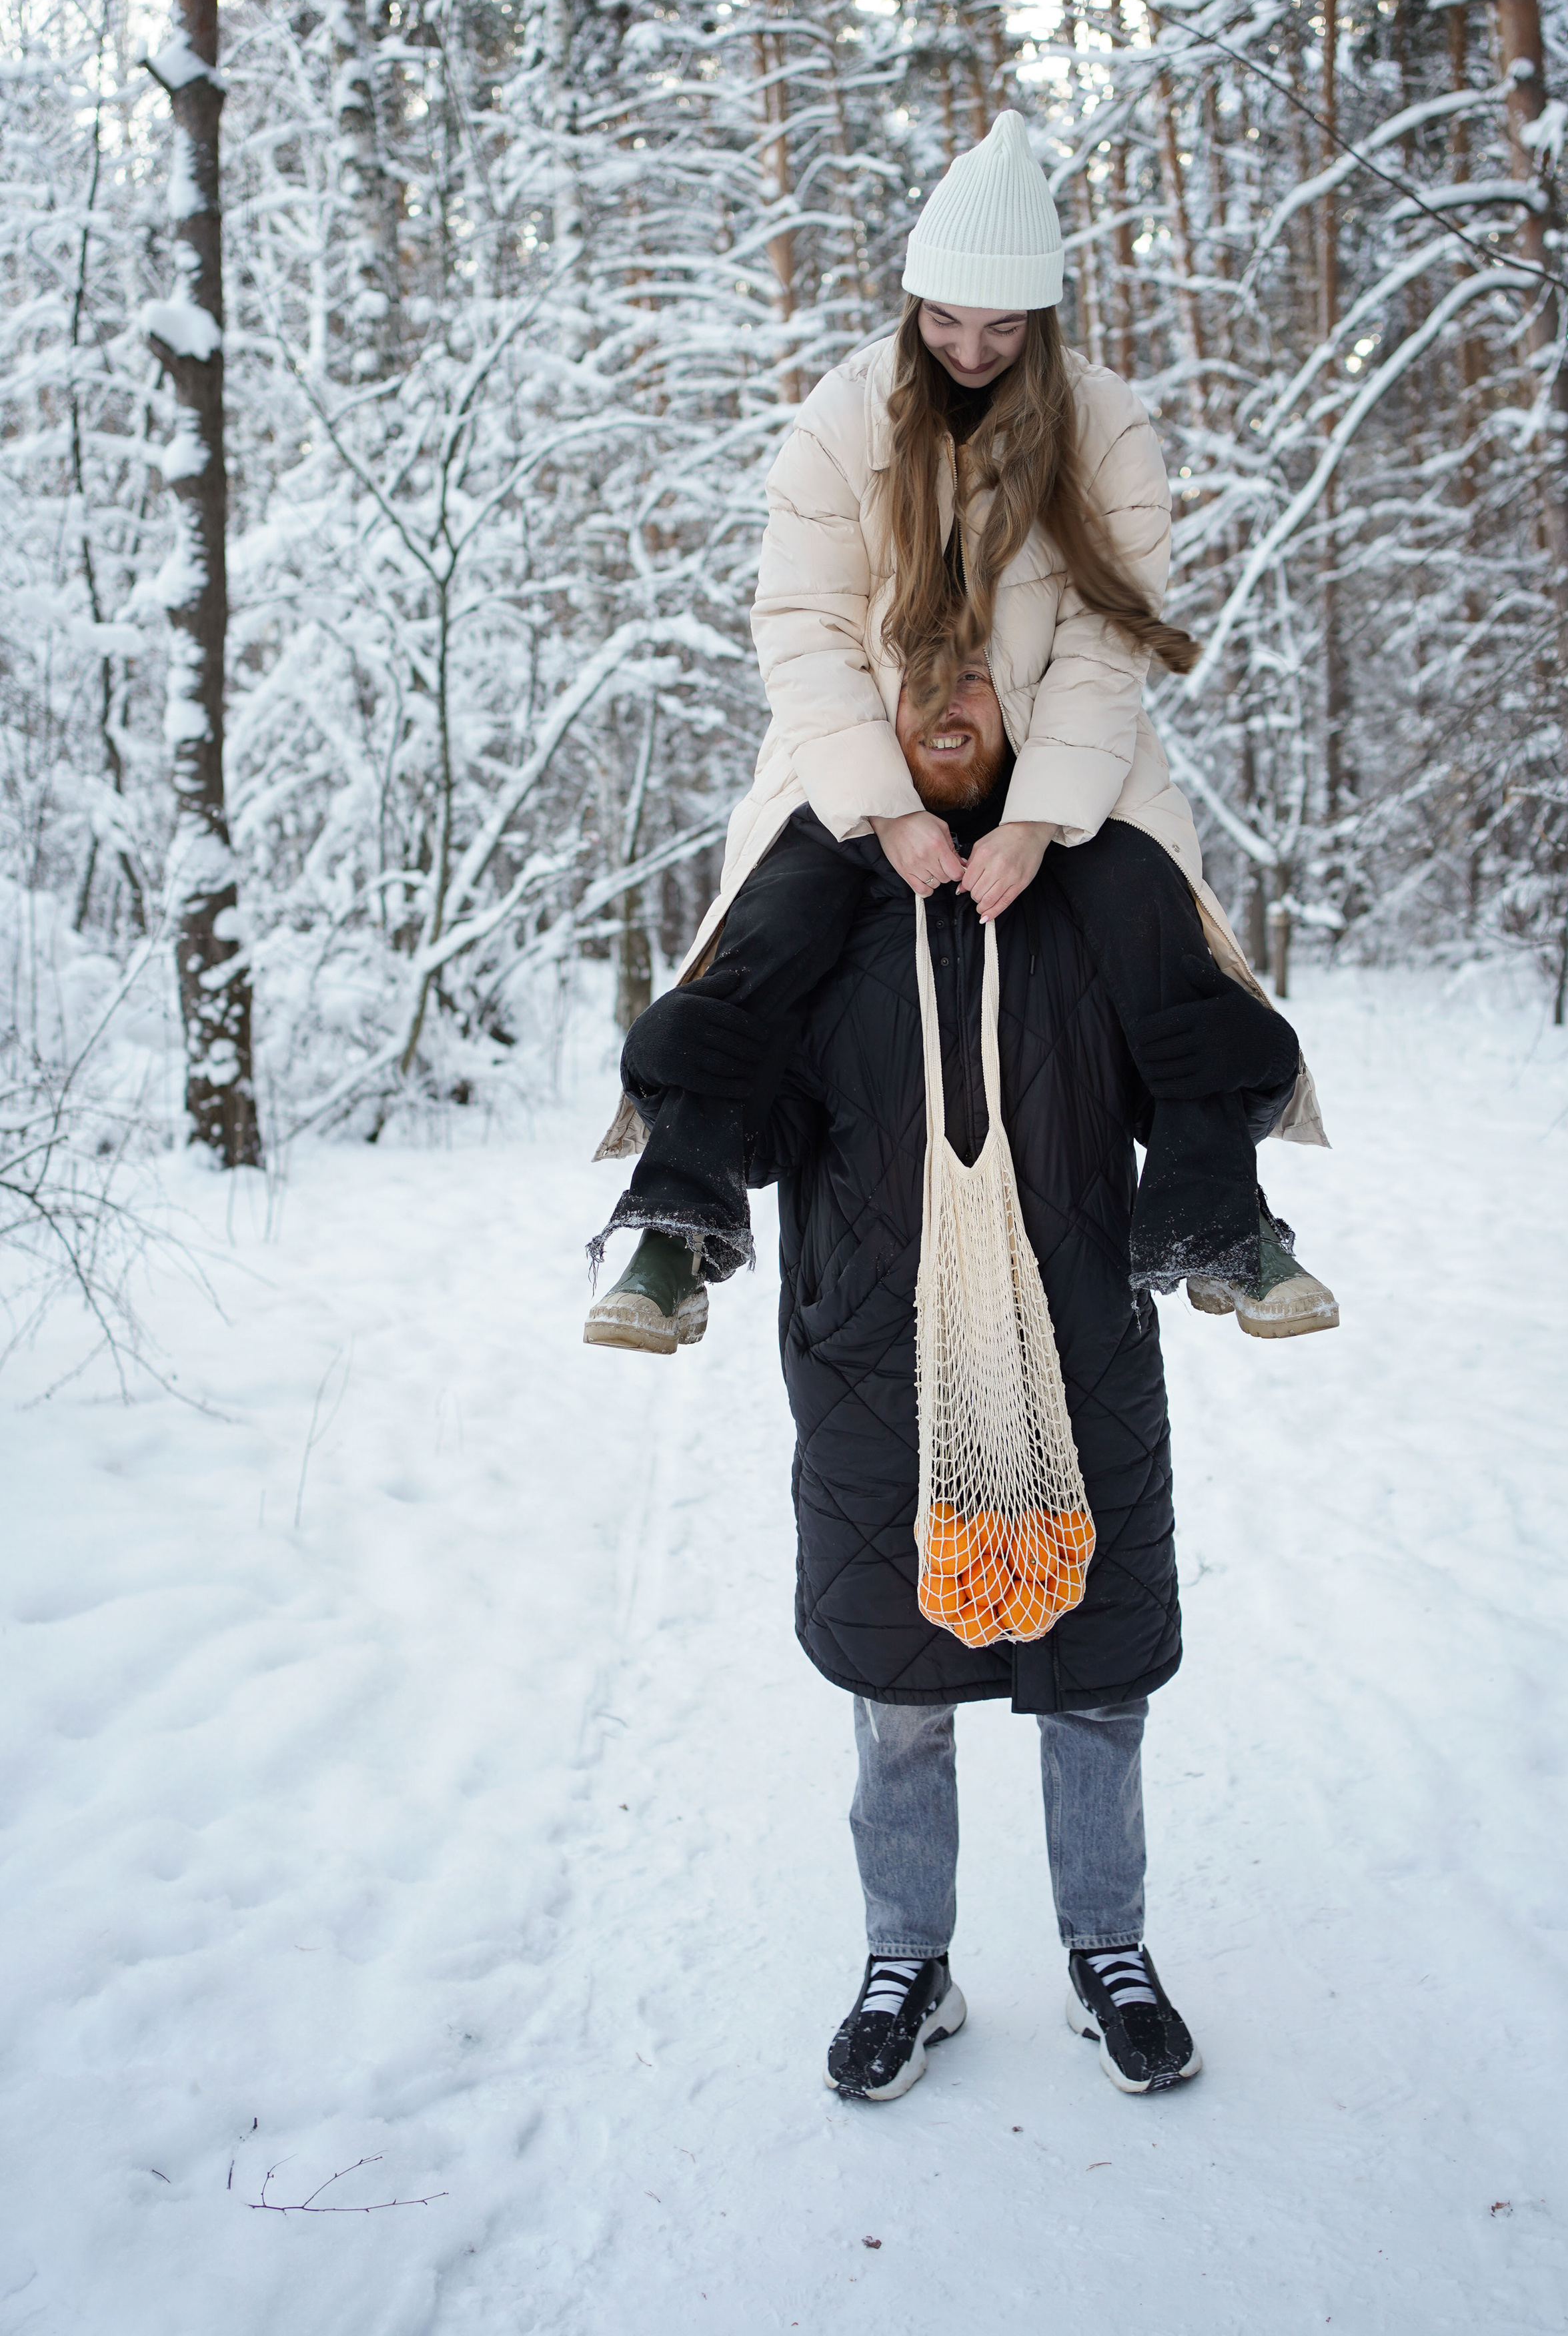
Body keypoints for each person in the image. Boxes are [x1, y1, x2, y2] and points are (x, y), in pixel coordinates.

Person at [624, 647, 1303, 2098]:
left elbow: (1194, 1062)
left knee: (1095, 1675)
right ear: (867, 714)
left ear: (1018, 709)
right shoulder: (819, 911)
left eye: (974, 677)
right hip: (874, 1348)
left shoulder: (1079, 892)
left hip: (1072, 1334)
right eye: (911, 675)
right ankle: (906, 1960)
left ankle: (1102, 1948)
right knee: (898, 1688)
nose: (943, 702)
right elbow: (740, 1123)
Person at [586, 109, 1333, 1354]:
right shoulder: (843, 417)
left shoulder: (1106, 424)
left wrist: (1040, 818)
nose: (971, 349)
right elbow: (803, 620)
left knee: (1160, 931)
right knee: (765, 932)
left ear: (1043, 319)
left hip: (1052, 748)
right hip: (872, 740)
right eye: (945, 320)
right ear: (913, 301)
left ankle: (1224, 1221)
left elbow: (1110, 636)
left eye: (1002, 327)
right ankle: (676, 1224)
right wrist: (882, 809)